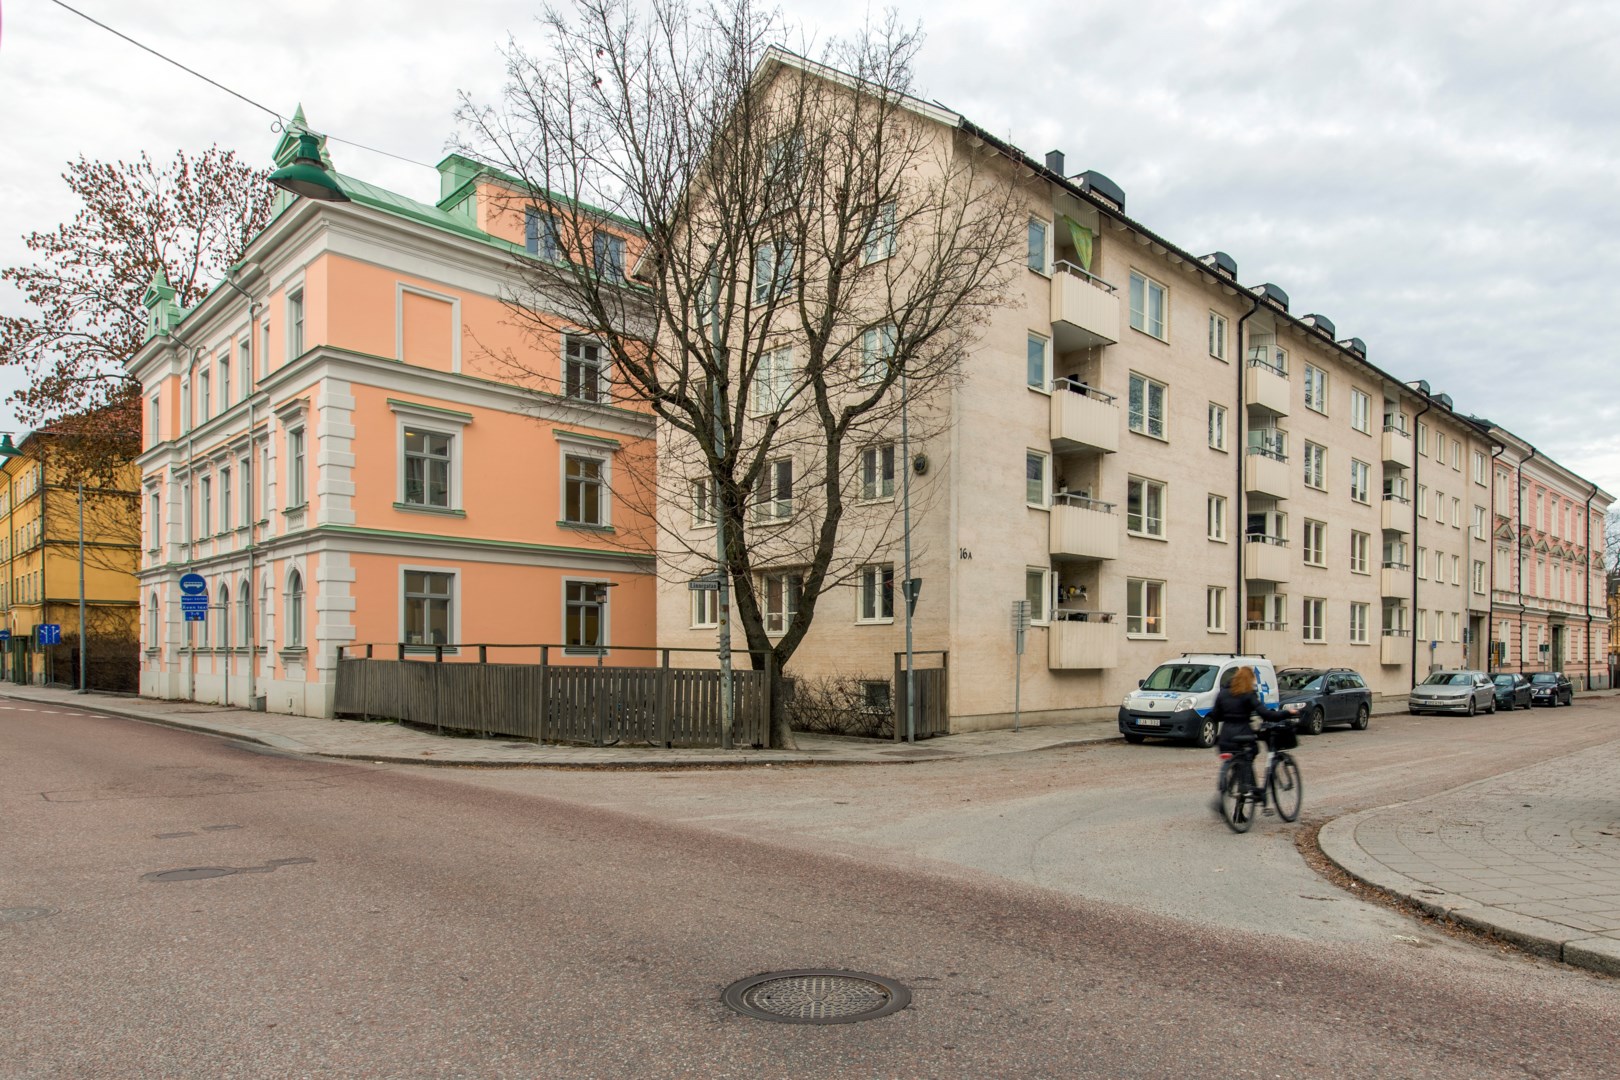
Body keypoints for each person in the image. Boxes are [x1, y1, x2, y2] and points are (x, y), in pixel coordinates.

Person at [1214, 666, 1285, 803]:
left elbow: (1216, 715)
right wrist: (1287, 713)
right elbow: (1265, 713)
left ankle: (1229, 789)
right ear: (1249, 680)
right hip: (1243, 734)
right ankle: (1249, 787)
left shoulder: (1222, 693)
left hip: (1225, 738)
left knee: (1235, 759)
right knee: (1252, 752)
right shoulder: (1248, 693)